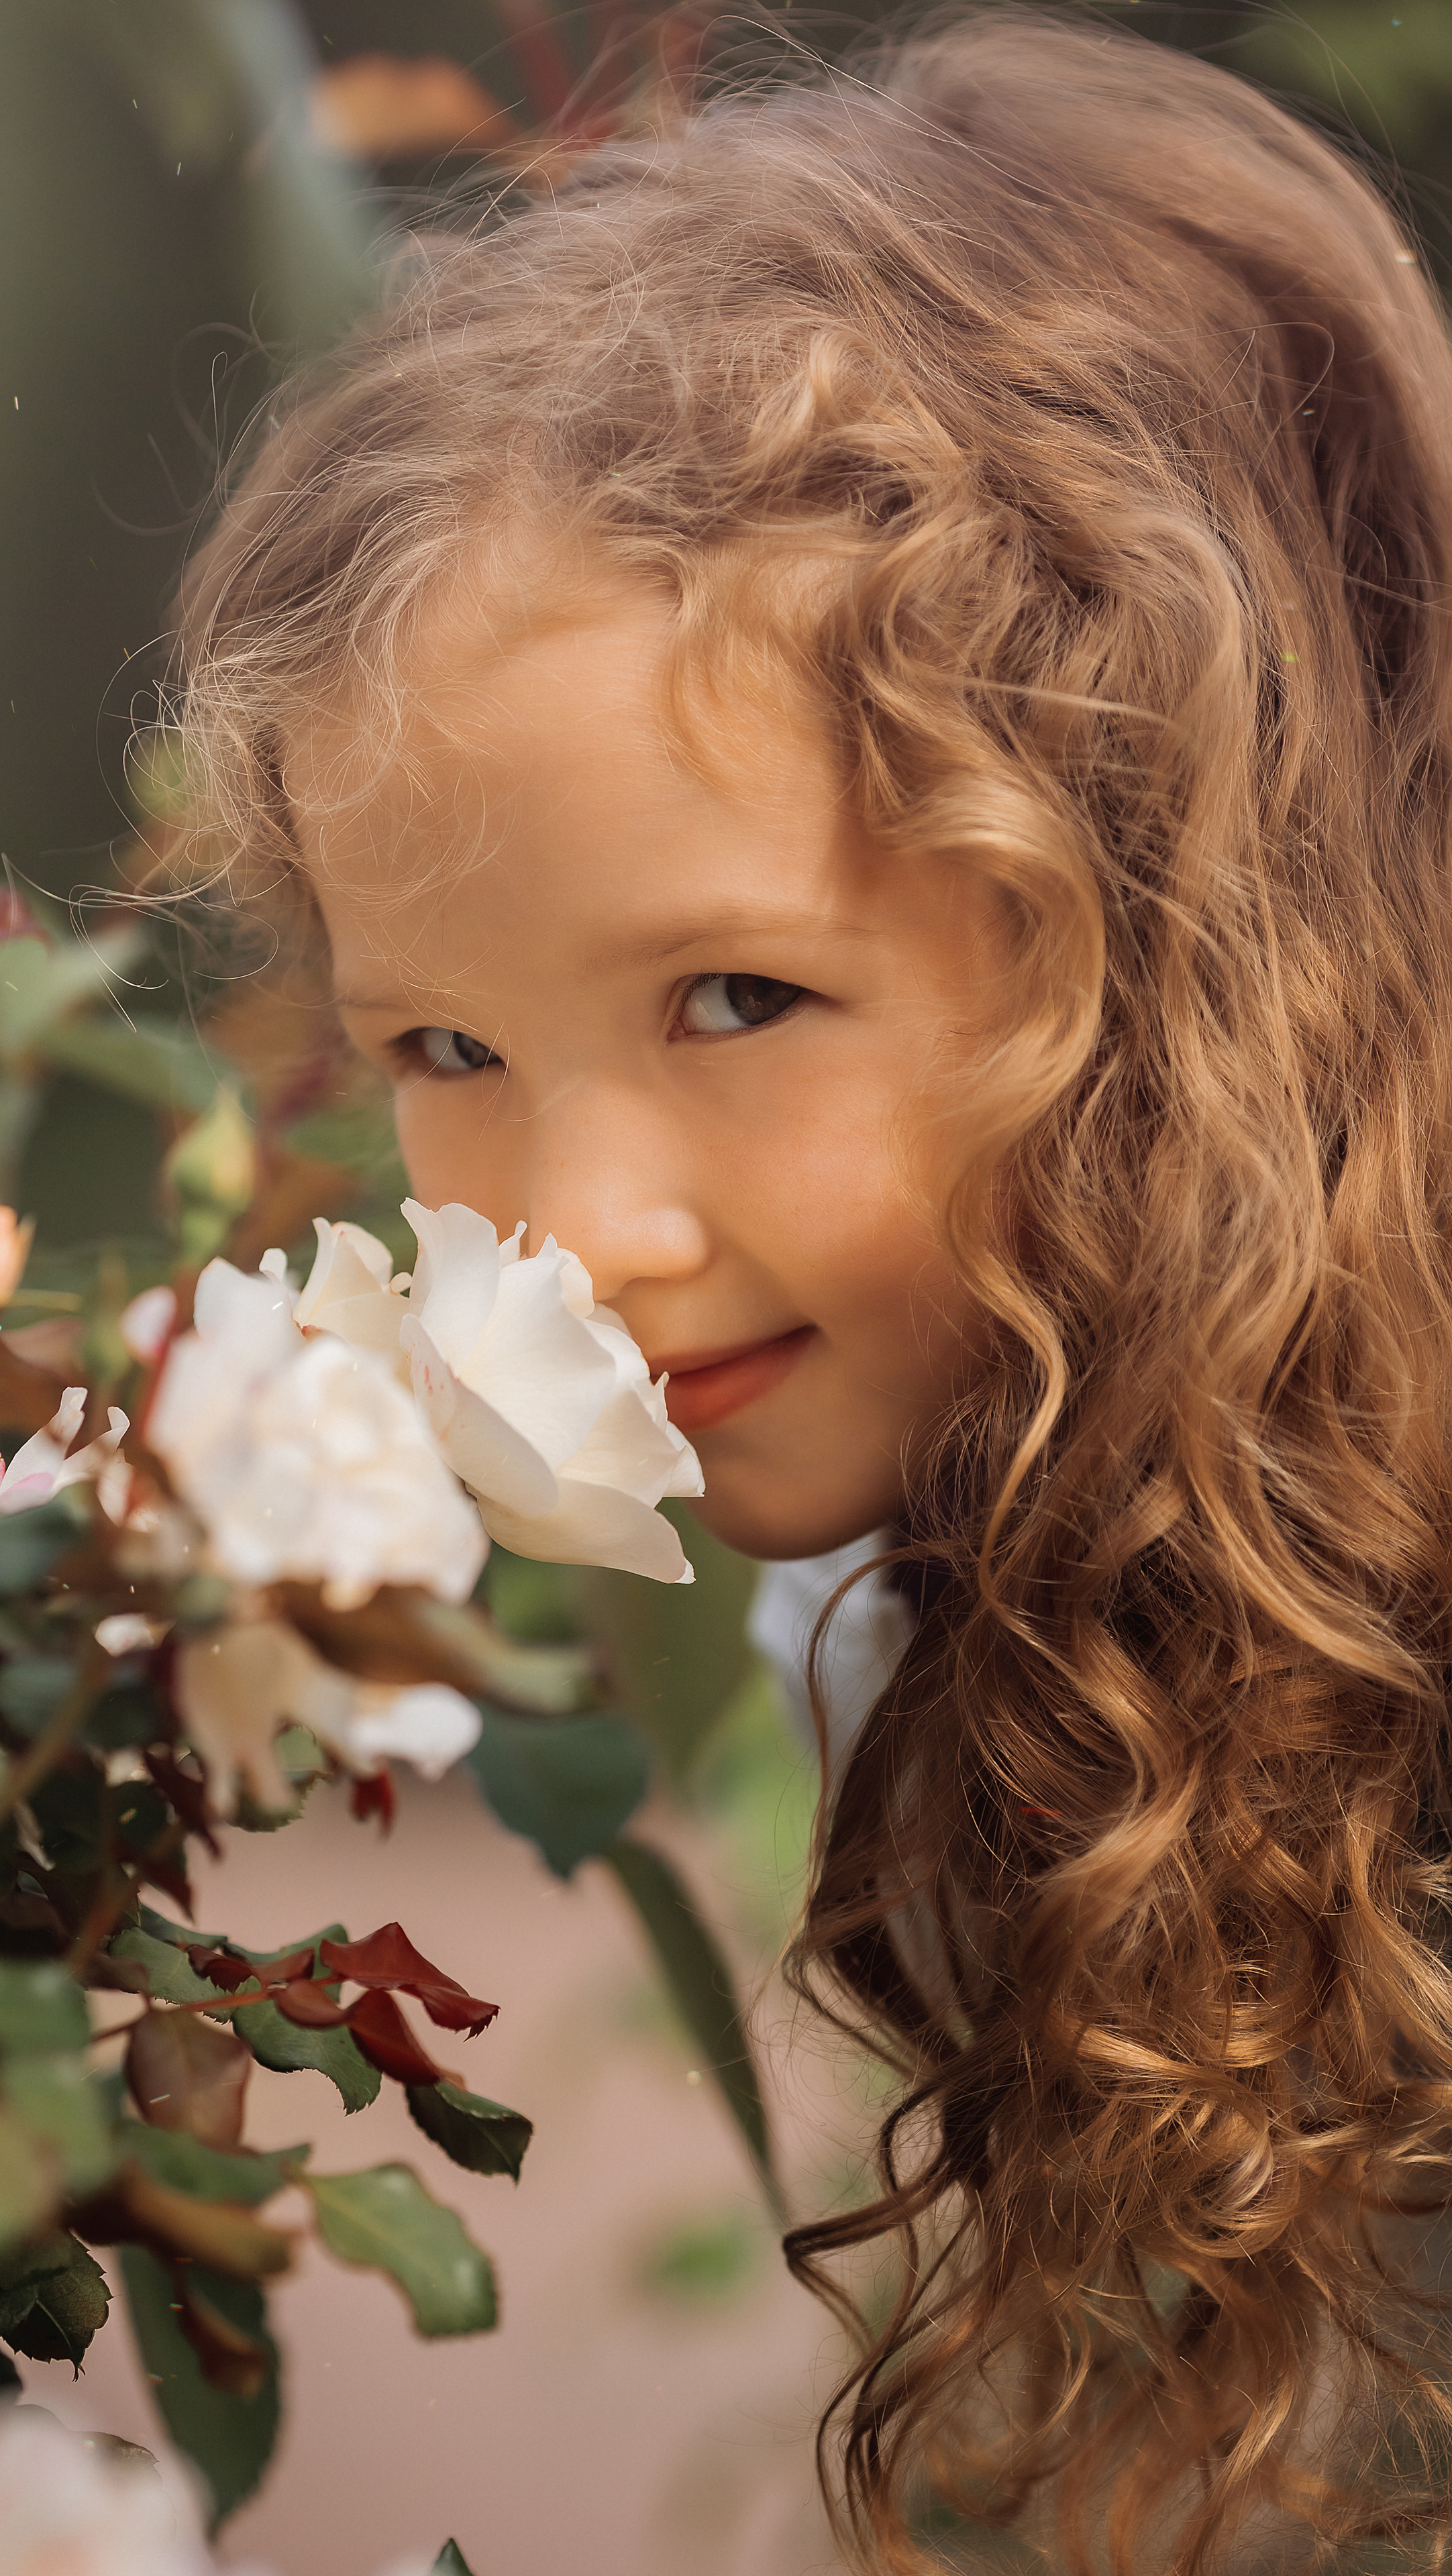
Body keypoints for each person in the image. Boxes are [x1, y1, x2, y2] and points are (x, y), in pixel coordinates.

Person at [169, 10, 1452, 2566]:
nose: (569, 1235)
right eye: (445, 1046)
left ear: (1177, 947)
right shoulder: (913, 1596)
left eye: (737, 1000)